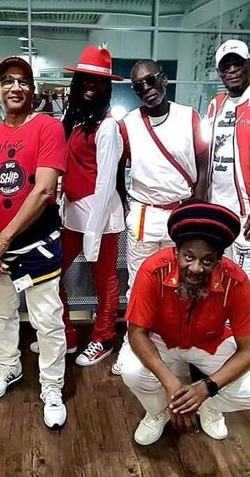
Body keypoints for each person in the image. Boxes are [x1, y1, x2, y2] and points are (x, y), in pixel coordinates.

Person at [0, 56, 69, 430]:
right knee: (2, 313)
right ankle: (8, 366)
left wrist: (1, 240)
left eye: (23, 81)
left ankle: (52, 386)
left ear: (32, 89)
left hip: (36, 242)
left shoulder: (48, 128)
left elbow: (43, 190)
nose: (15, 87)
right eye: (7, 81)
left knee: (48, 321)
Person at [120, 199, 250, 445]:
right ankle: (158, 411)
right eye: (188, 256)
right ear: (176, 252)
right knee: (131, 370)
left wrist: (206, 389)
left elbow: (248, 350)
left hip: (211, 342)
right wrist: (171, 385)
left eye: (207, 261)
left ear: (219, 261)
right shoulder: (152, 270)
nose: (196, 268)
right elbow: (136, 333)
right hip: (161, 340)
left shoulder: (237, 281)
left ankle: (210, 407)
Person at [112, 59, 209, 375]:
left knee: (182, 283)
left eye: (151, 81)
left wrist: (197, 204)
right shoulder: (128, 124)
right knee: (139, 284)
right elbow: (116, 167)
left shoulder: (189, 117)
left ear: (164, 80)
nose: (146, 89)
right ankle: (132, 343)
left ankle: (176, 347)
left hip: (181, 213)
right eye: (138, 86)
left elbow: (204, 163)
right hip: (144, 213)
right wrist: (125, 202)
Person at [29, 45, 125, 366]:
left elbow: (105, 183)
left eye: (98, 81)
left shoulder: (108, 127)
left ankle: (103, 338)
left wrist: (94, 233)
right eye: (85, 79)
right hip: (71, 215)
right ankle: (64, 334)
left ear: (106, 87)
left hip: (102, 218)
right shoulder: (71, 119)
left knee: (105, 280)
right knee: (51, 275)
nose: (90, 86)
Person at [206, 39, 250, 277]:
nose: (232, 70)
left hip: (246, 213)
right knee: (219, 276)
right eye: (225, 66)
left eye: (237, 64)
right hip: (218, 209)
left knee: (244, 279)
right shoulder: (217, 104)